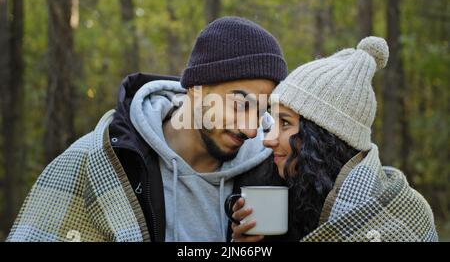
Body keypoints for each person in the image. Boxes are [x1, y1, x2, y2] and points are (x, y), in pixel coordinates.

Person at [7, 16, 288, 242]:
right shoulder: (101, 161)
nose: (252, 129)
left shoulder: (273, 171)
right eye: (240, 104)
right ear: (196, 89)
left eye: (262, 110)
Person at [231, 36, 439, 242]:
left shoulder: (407, 218)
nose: (268, 140)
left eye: (285, 123)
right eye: (273, 122)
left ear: (323, 138)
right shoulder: (290, 199)